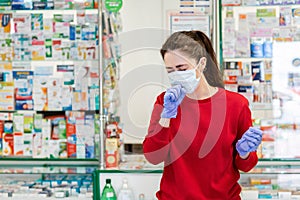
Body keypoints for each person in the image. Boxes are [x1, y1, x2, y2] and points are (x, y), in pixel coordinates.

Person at [142, 30, 262, 200]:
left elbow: (247, 165)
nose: (176, 75)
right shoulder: (165, 101)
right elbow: (153, 156)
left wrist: (244, 153)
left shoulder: (236, 105)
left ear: (202, 64)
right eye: (170, 71)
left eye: (182, 68)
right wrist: (166, 117)